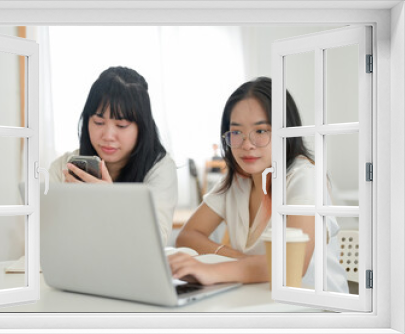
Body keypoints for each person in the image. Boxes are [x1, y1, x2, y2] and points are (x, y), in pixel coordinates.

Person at [170, 77, 349, 293]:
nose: (246, 144)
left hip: (317, 309)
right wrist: (240, 260)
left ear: (286, 132)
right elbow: (187, 236)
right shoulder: (238, 179)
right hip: (259, 297)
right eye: (236, 132)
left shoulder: (305, 177)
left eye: (261, 131)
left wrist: (214, 271)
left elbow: (292, 264)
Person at [49, 66, 178, 246]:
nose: (108, 136)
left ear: (142, 127)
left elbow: (156, 240)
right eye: (99, 122)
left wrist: (110, 201)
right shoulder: (65, 167)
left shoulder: (160, 169)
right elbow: (44, 235)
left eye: (122, 125)